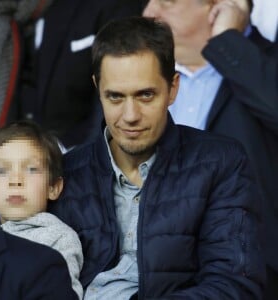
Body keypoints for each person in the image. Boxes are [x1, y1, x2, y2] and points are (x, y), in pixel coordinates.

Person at [49, 16, 265, 299]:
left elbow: (234, 285)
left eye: (146, 95)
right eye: (115, 97)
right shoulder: (68, 173)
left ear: (173, 88)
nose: (130, 116)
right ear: (97, 89)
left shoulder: (220, 162)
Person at [142, 0, 278, 298]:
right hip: (154, 270)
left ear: (219, 6)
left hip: (253, 274)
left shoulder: (264, 64)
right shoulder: (141, 77)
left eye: (166, 2)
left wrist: (227, 41)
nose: (149, 12)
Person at [0, 0, 142, 150]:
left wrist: (63, 152)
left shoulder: (112, 6)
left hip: (78, 158)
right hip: (3, 157)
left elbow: (118, 93)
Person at [0, 121, 83, 299]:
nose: (16, 180)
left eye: (31, 169)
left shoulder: (58, 238)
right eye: (1, 170)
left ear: (53, 187)